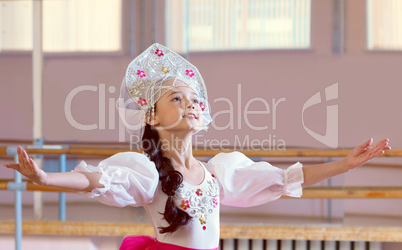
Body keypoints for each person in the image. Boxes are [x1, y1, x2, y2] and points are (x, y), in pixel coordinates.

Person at [4, 43, 390, 250]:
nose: (189, 103)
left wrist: (345, 164)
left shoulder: (220, 173)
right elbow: (95, 181)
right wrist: (43, 177)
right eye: (176, 98)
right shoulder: (147, 171)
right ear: (152, 117)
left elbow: (283, 178)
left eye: (193, 98)